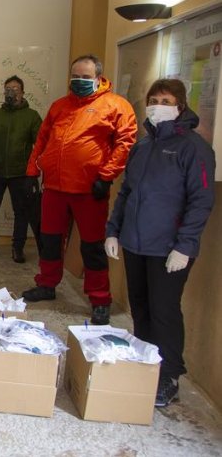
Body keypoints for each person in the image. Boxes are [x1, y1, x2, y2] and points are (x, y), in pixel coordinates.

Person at [104, 79, 215, 407]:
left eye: (165, 101)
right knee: (140, 307)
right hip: (135, 243)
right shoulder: (142, 146)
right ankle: (145, 363)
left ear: (180, 105)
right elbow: (126, 192)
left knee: (164, 311)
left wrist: (185, 245)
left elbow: (201, 200)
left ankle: (169, 376)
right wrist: (113, 230)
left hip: (169, 248)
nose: (157, 106)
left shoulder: (194, 148)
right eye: (153, 100)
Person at [21, 54, 137, 326]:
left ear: (98, 78)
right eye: (75, 76)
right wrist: (31, 172)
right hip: (55, 187)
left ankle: (100, 299)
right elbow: (42, 139)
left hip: (89, 190)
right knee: (50, 240)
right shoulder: (59, 106)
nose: (79, 80)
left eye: (85, 77)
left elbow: (125, 143)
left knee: (92, 246)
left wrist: (106, 176)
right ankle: (47, 284)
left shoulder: (116, 105)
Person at [0, 75, 43, 263]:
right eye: (7, 89)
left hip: (20, 173)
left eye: (15, 89)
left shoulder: (32, 117)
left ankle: (18, 248)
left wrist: (32, 169)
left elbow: (40, 144)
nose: (10, 92)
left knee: (21, 212)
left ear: (22, 92)